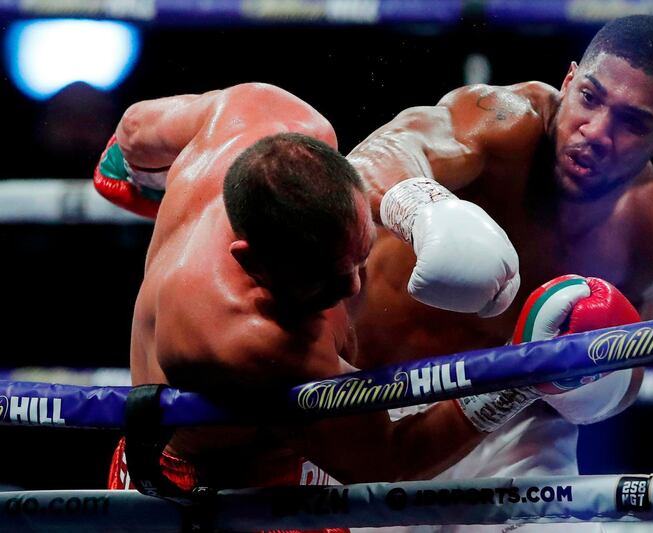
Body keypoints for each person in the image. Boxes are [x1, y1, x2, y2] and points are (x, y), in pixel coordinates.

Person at [93, 83, 576, 533]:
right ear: (250, 261)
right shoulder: (251, 339)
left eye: (359, 255)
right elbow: (389, 458)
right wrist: (517, 377)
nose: (351, 285)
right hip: (219, 494)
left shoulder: (262, 112)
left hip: (296, 453)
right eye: (323, 279)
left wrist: (415, 206)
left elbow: (133, 130)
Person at [345, 15, 653, 532]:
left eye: (632, 122)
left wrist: (591, 386)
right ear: (568, 79)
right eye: (590, 97)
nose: (596, 132)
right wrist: (424, 209)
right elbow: (378, 156)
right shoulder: (502, 121)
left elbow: (631, 365)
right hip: (374, 400)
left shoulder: (645, 221)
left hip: (511, 430)